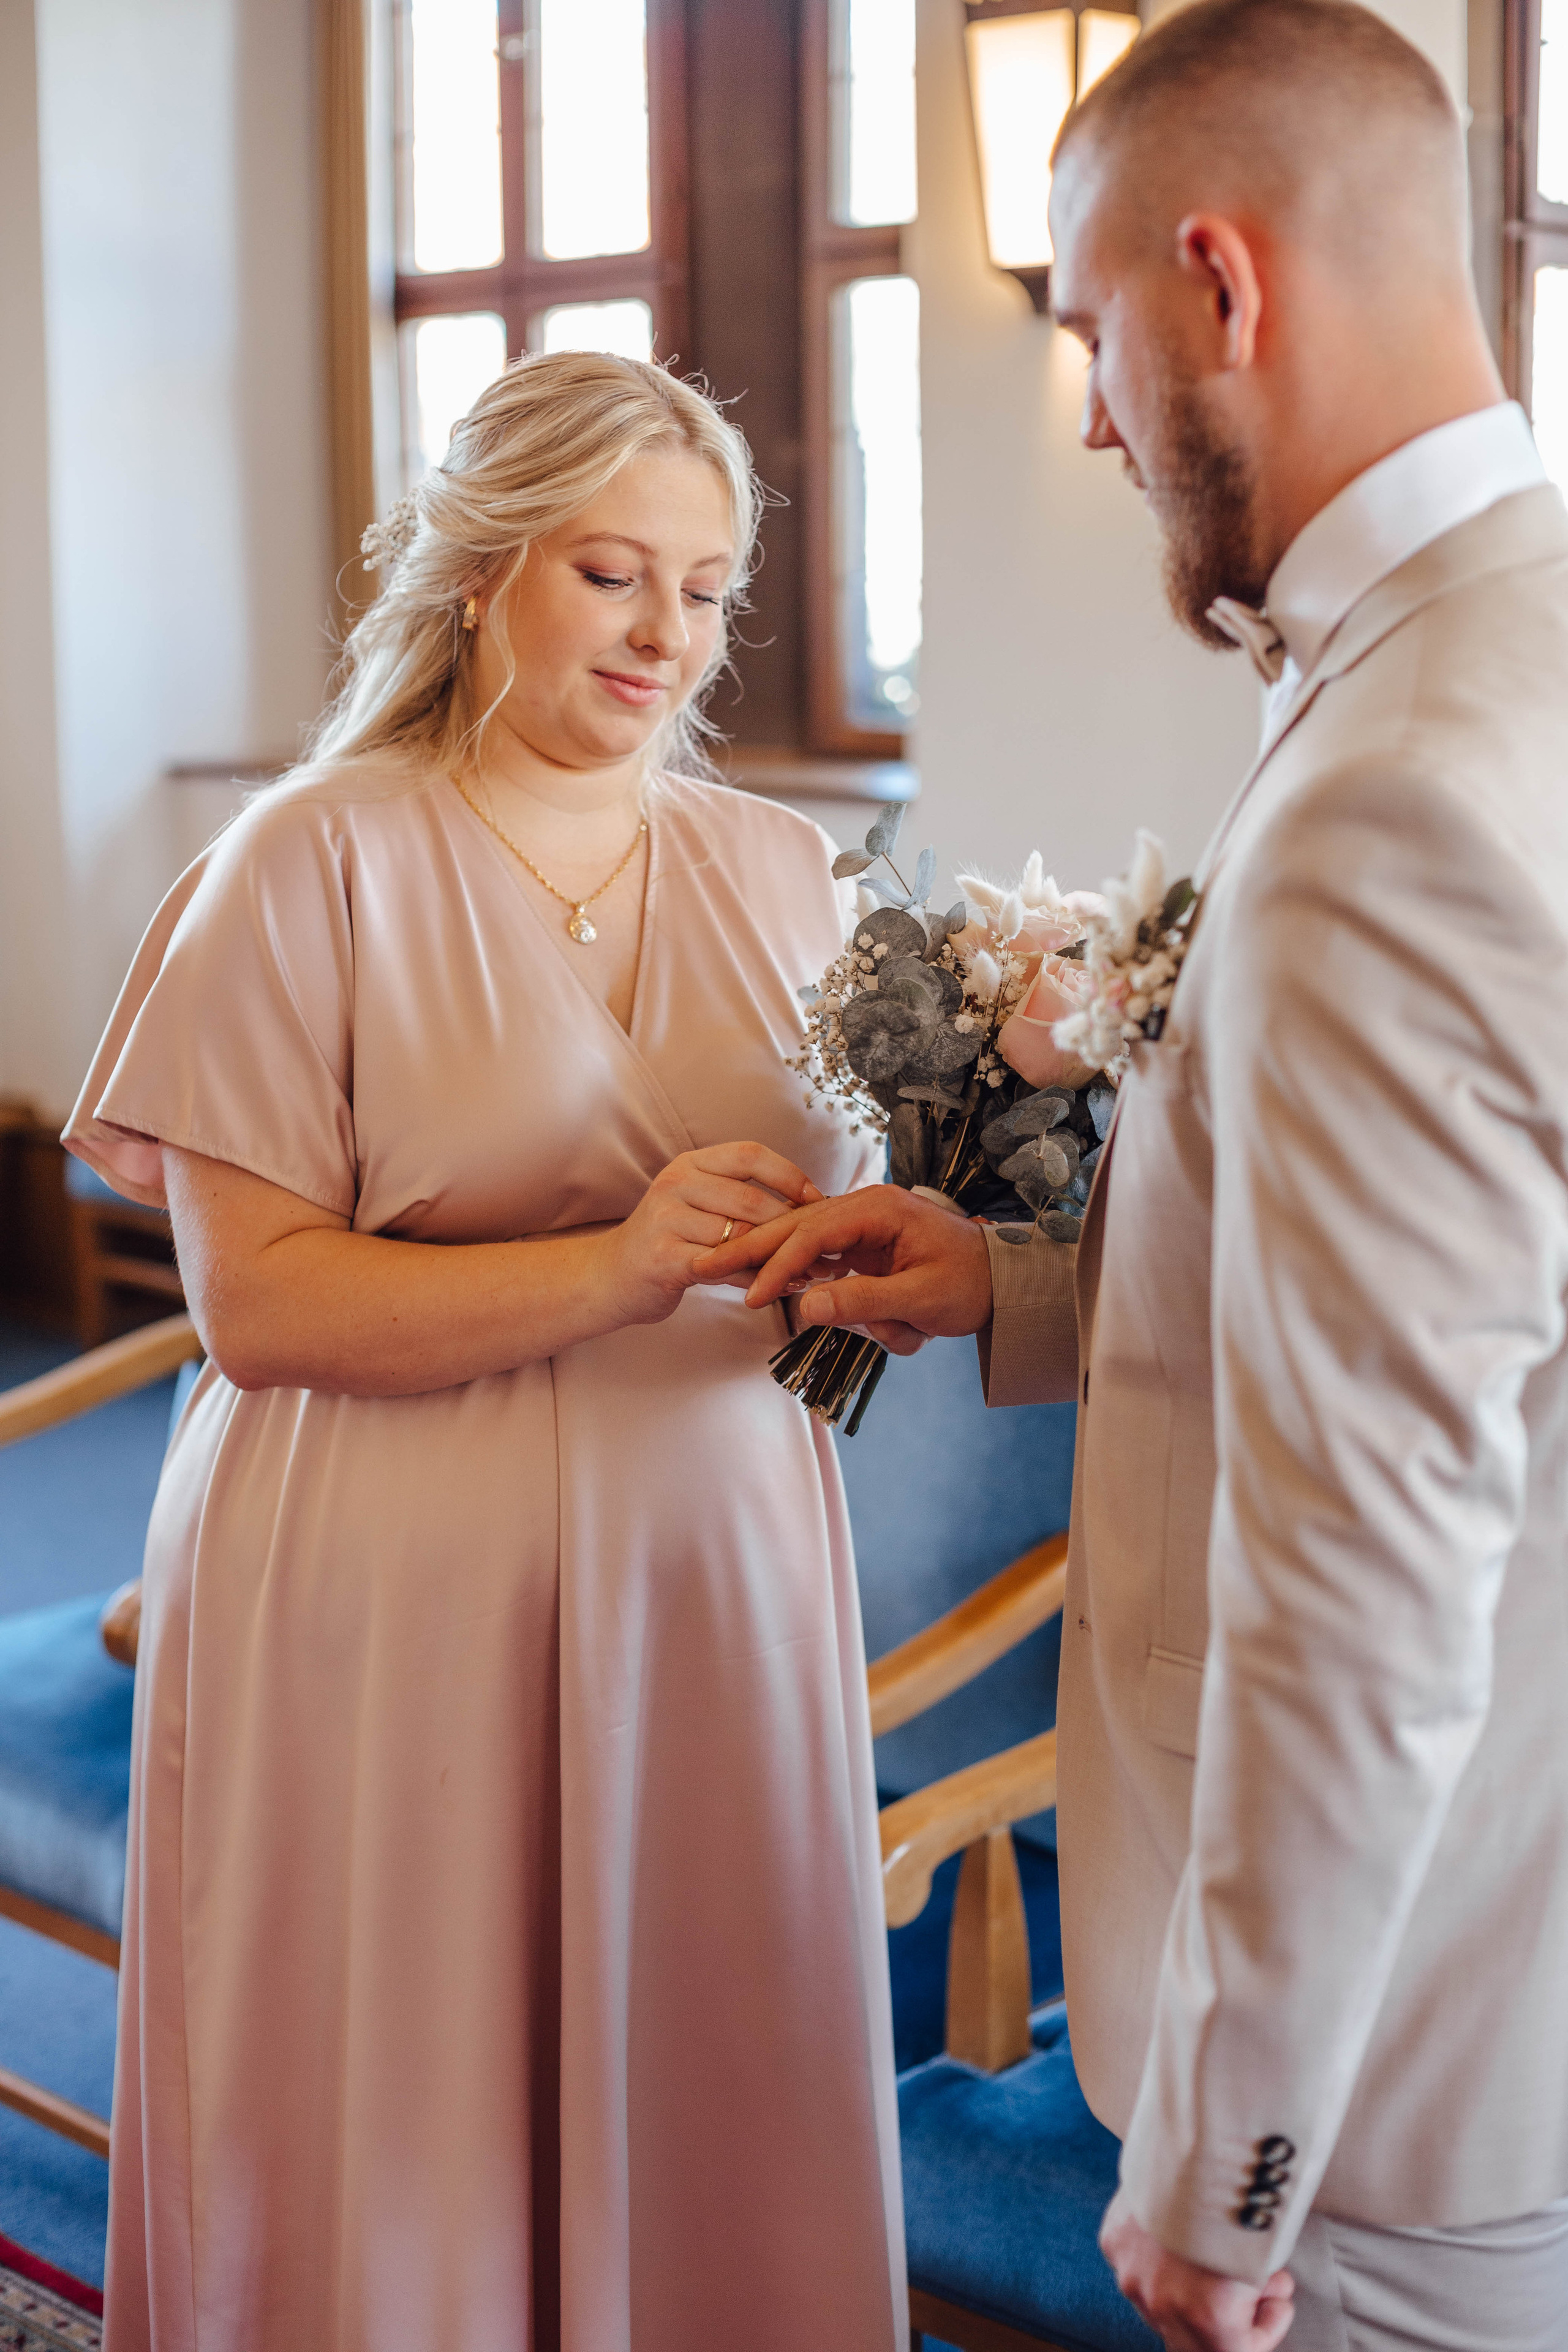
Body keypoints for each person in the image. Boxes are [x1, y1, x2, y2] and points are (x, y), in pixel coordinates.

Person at [700, 5, 1568, 2346]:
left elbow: (1370, 1562)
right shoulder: (1507, 643)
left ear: (1220, 280)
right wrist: (1020, 1284)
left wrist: (1224, 2167)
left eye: (1092, 330)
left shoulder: (1401, 783)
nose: (1091, 414)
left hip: (1397, 2079)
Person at [65, 353, 906, 2352]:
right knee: (404, 2113)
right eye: (612, 574)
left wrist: (909, 1225)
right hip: (387, 1587)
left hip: (714, 1582)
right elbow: (260, 1302)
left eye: (703, 589)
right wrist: (616, 1269)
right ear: (480, 569)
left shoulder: (790, 871)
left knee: (712, 2069)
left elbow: (863, 1200)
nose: (664, 633)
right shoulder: (312, 858)